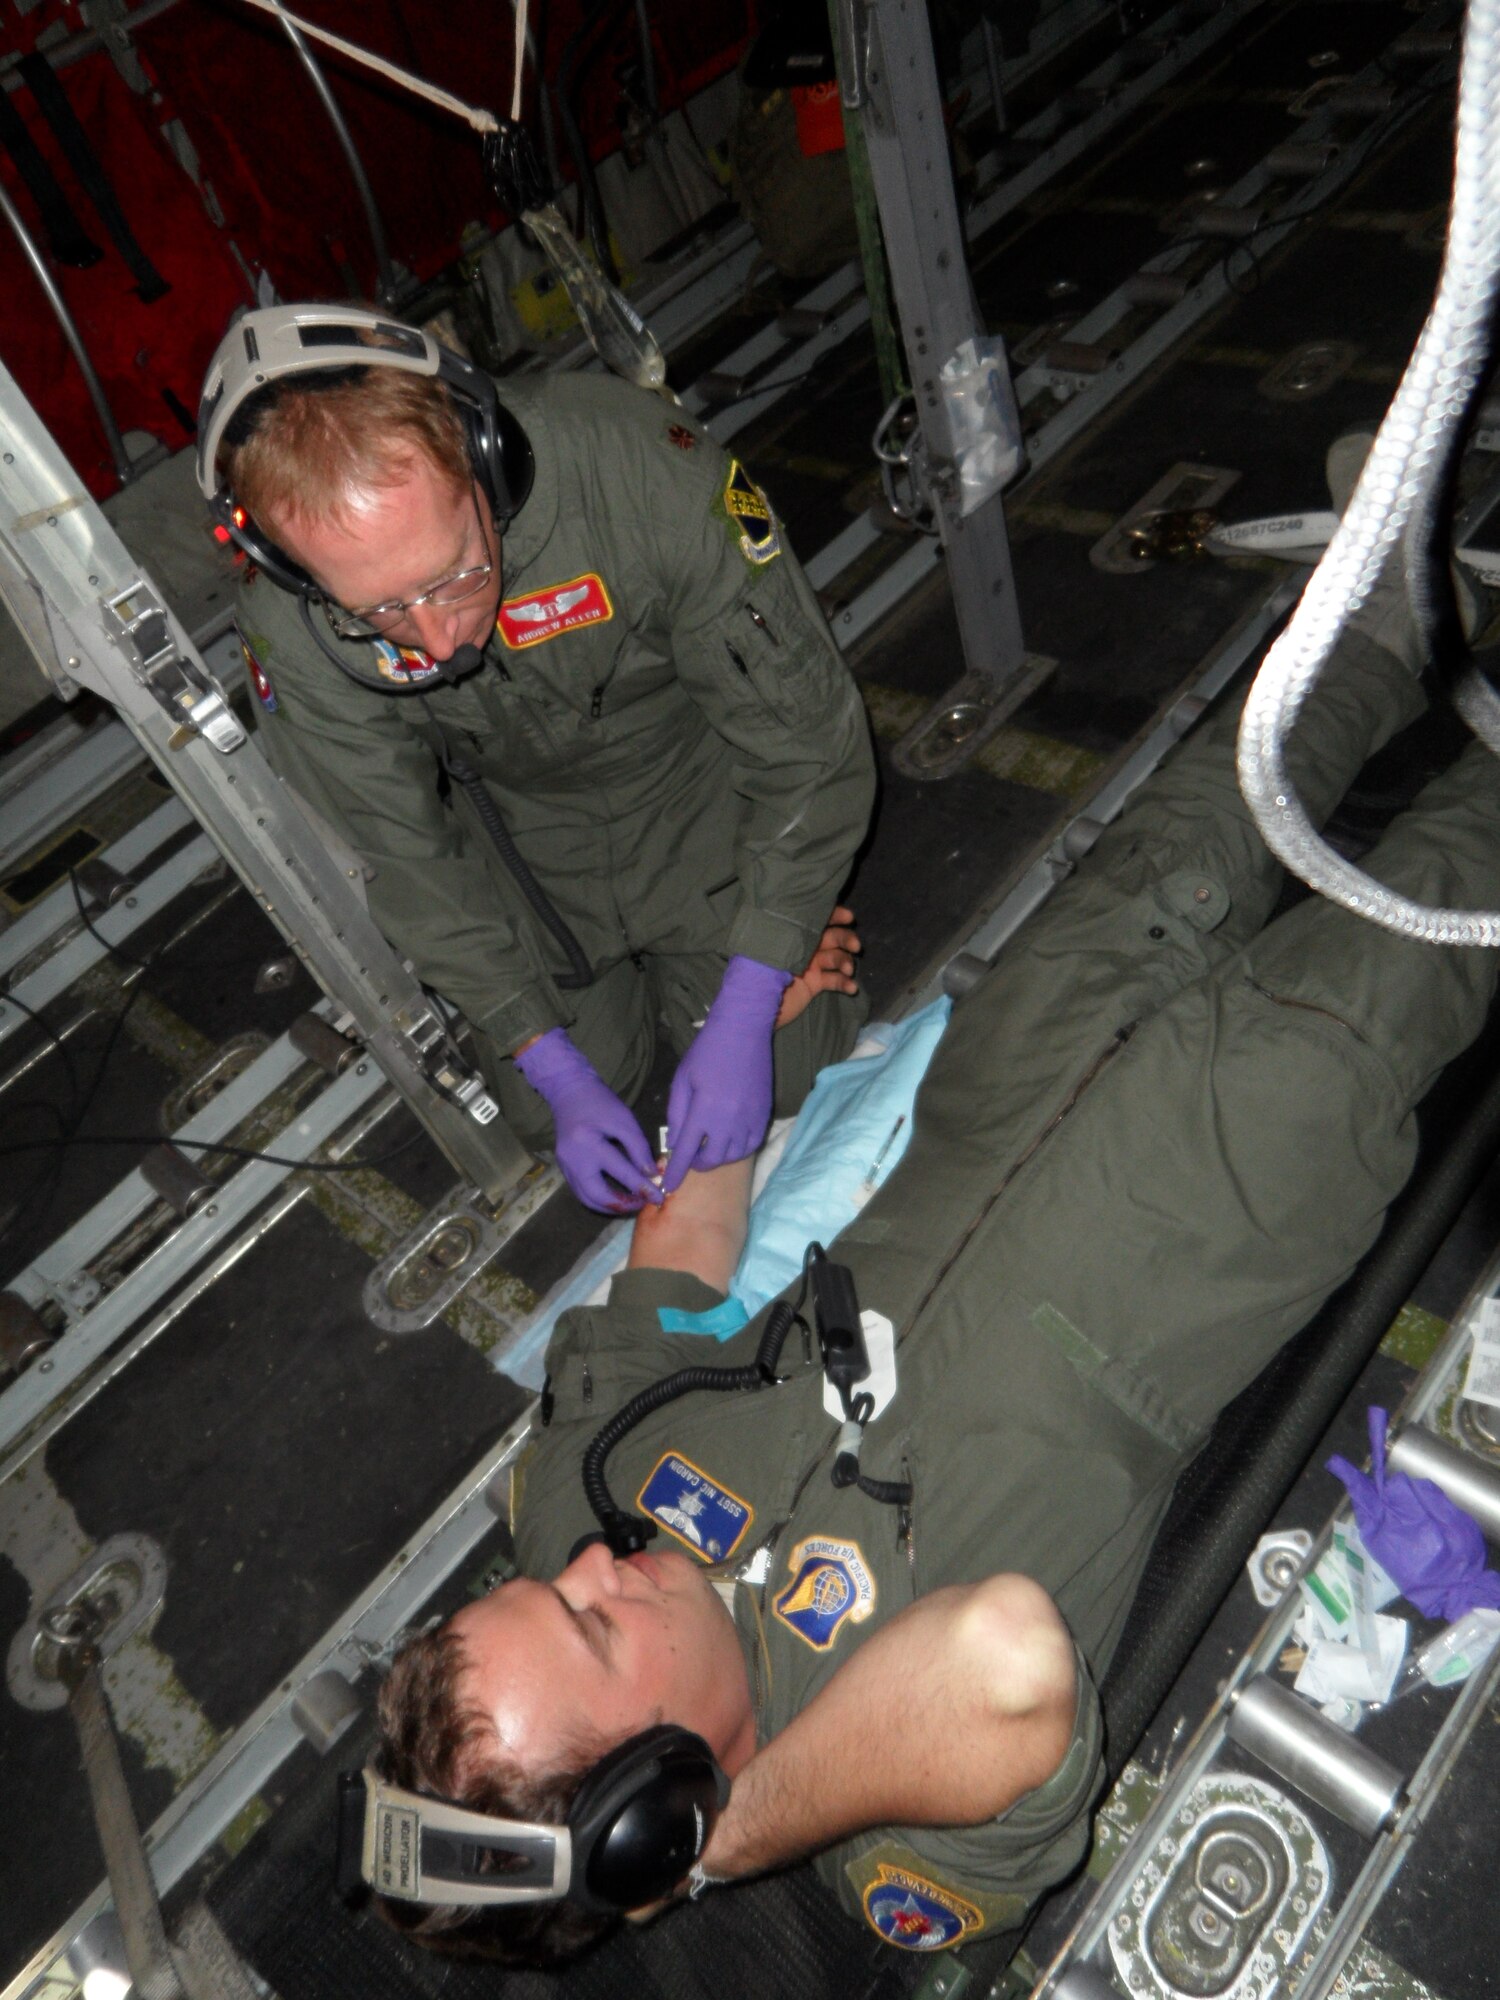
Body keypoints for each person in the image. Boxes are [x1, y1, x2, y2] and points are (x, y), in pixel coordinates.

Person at [367, 452, 1500, 1965]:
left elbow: (685, 1256)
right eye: (590, 1626)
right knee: (1437, 892)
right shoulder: (895, 1835)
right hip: (1213, 1207)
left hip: (995, 1091)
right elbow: (1004, 1656)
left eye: (539, 1586)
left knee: (1206, 805)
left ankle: (1404, 603)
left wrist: (741, 1061)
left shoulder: (582, 1496)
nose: (581, 1563)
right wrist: (719, 1838)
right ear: (655, 1793)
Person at [197, 305, 875, 1213]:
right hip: (525, 840)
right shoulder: (292, 622)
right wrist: (547, 1062)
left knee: (800, 1066)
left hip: (695, 786)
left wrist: (760, 978)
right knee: (534, 1116)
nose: (438, 641)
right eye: (382, 611)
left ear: (483, 457)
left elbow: (806, 739)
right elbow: (400, 856)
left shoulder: (634, 468)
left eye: (456, 574)